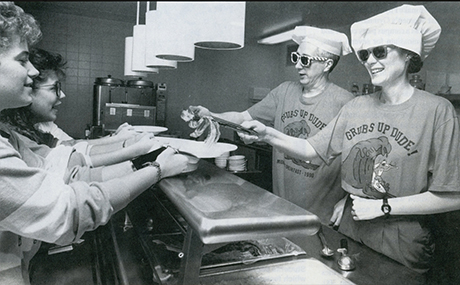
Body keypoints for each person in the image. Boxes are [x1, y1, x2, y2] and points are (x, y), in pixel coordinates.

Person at [238, 4, 460, 274]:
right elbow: (310, 149)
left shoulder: (437, 111)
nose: (370, 61)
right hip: (349, 233)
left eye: (380, 52)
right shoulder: (356, 107)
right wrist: (268, 133)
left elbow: (451, 196)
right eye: (365, 54)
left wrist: (383, 206)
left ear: (407, 55)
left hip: (401, 244)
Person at [0, 2, 188, 283]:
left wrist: (133, 153)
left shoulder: (7, 135)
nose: (34, 71)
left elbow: (64, 165)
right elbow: (69, 209)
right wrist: (156, 169)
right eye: (21, 60)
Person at [187, 26, 355, 224]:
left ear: (327, 65)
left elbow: (360, 160)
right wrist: (211, 116)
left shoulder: (346, 102)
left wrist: (348, 199)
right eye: (296, 58)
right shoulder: (284, 91)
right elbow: (242, 117)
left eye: (305, 60)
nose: (298, 66)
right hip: (283, 208)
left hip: (321, 217)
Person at [0, 47, 155, 168]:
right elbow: (68, 167)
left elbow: (70, 148)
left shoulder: (30, 130)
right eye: (54, 88)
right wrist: (132, 152)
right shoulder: (14, 136)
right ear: (28, 88)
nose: (62, 95)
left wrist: (119, 141)